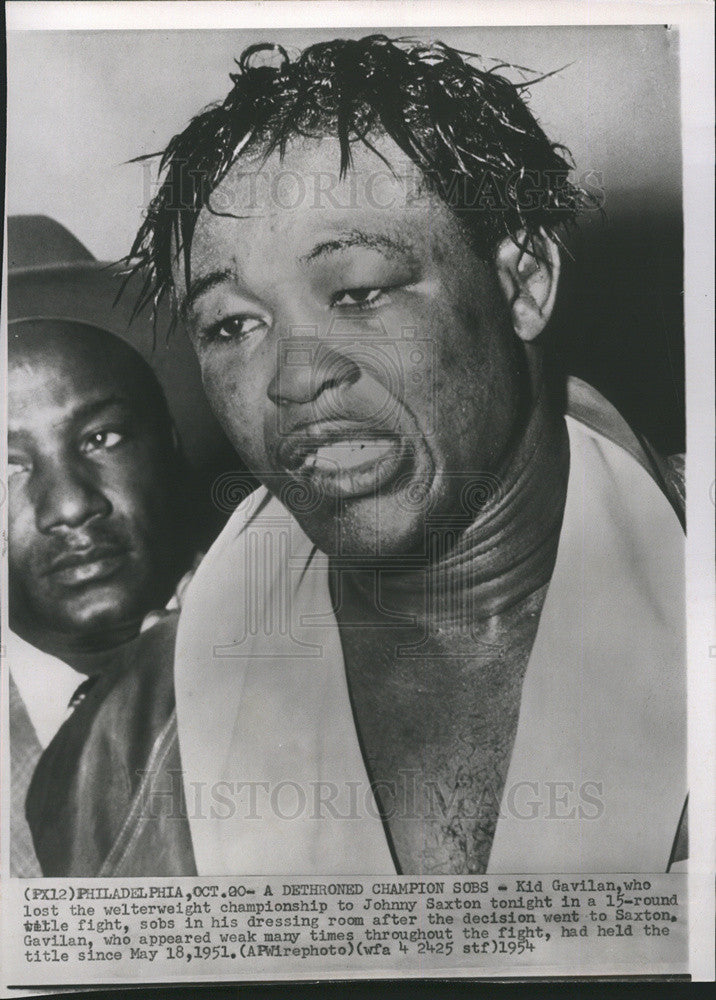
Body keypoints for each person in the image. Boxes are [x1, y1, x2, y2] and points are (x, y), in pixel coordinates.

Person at [27, 36, 687, 876]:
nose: (296, 378)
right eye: (232, 325)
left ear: (522, 284)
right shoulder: (118, 760)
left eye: (360, 292)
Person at [8, 317, 194, 875]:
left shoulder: (313, 629)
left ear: (170, 447)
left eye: (101, 439)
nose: (68, 506)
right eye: (5, 467)